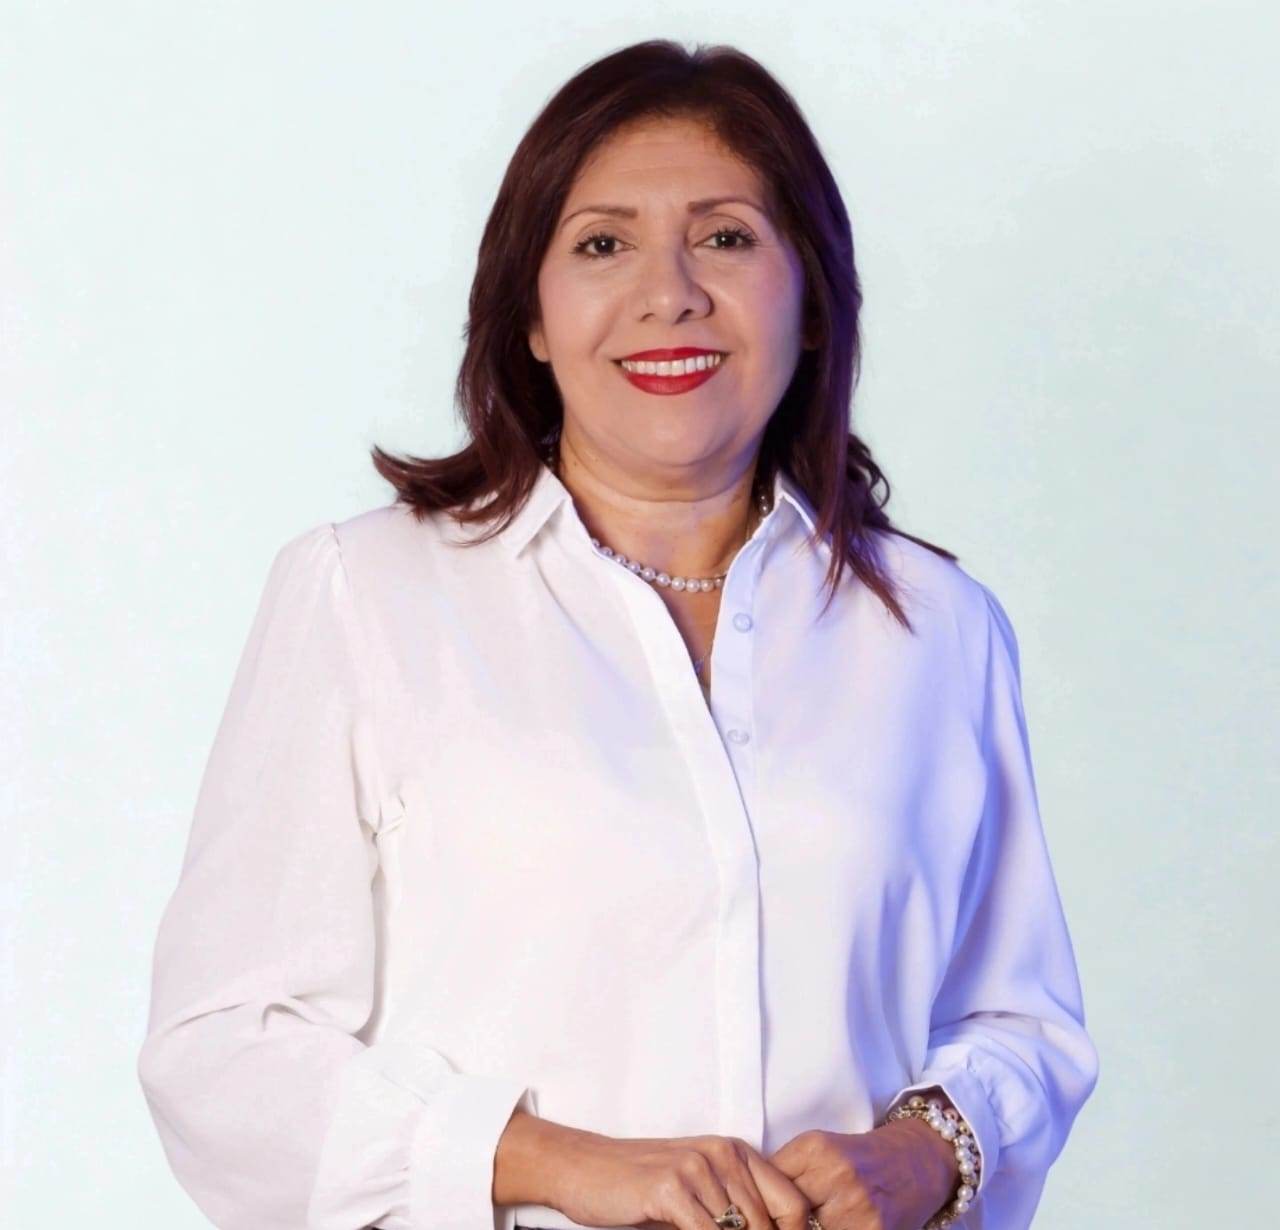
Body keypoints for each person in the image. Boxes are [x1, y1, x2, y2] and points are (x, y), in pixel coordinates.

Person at [137, 38, 1099, 1230]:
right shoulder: (364, 597)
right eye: (601, 245)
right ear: (530, 318)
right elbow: (221, 1052)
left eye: (725, 238)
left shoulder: (936, 628)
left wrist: (928, 1149)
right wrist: (546, 1158)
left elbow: (1020, 1019)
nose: (669, 293)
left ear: (809, 302)